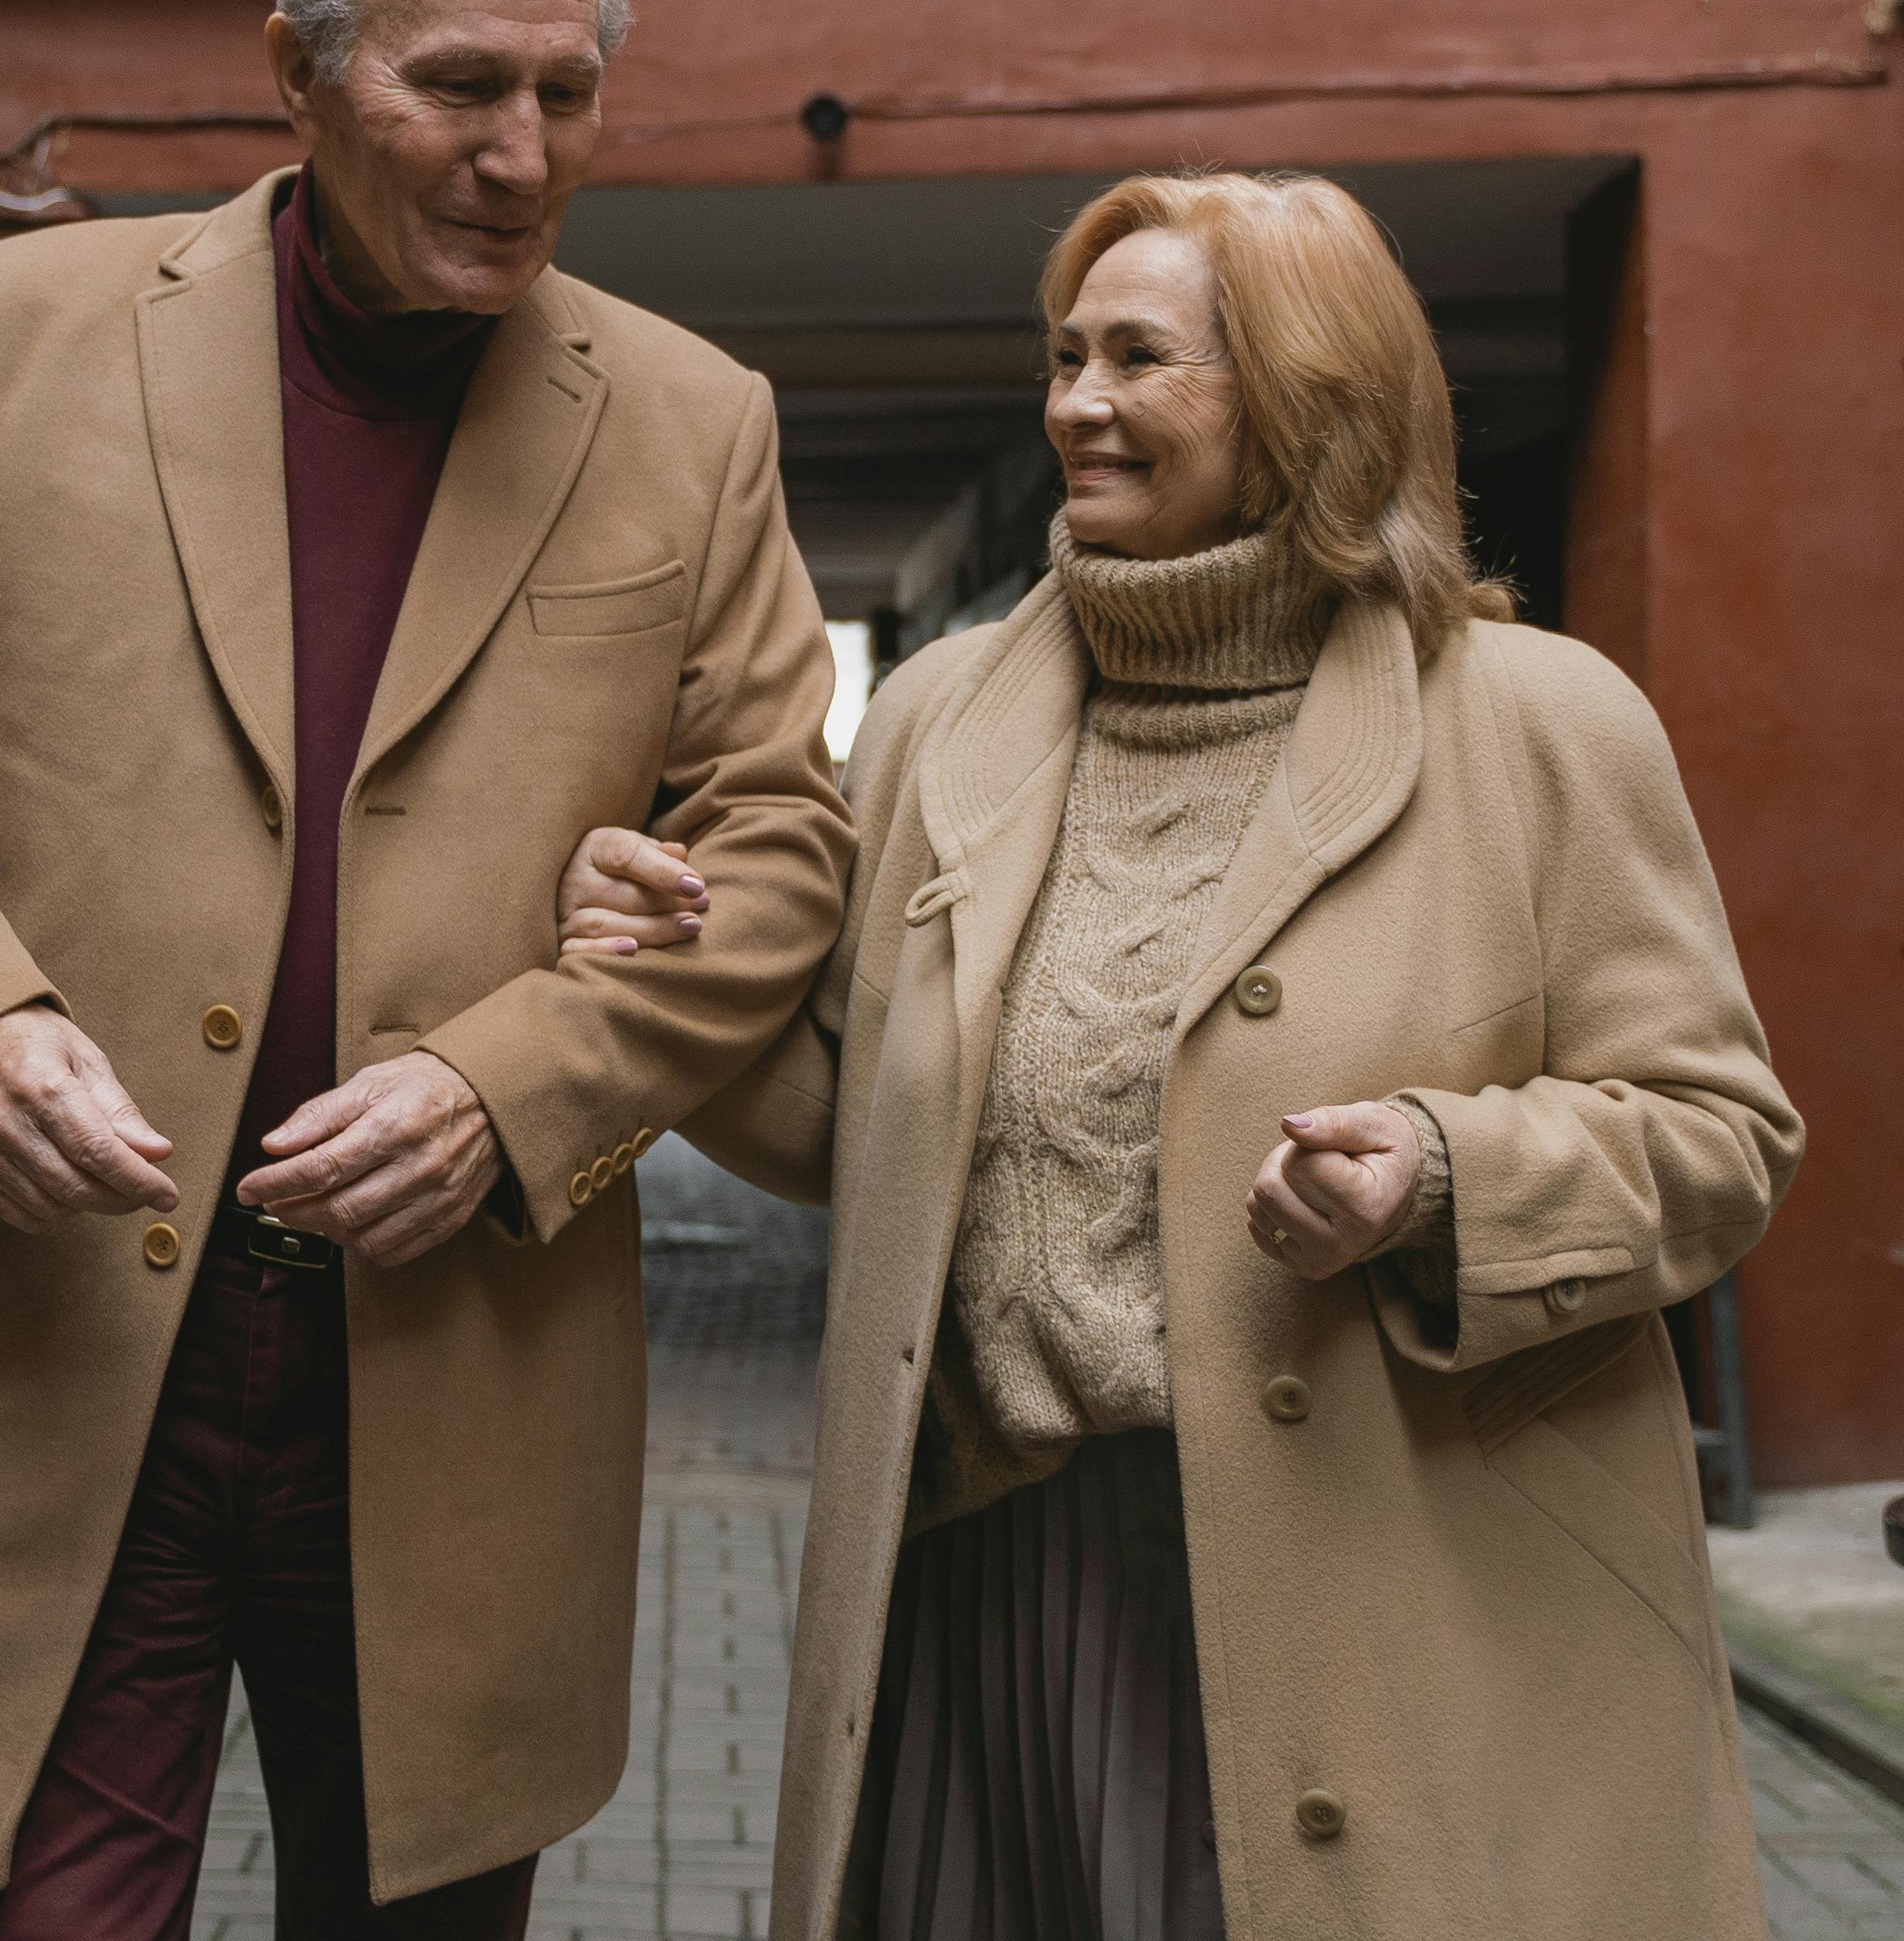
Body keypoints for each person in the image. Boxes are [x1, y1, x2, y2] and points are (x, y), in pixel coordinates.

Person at [0, 0, 853, 1941]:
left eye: (564, 93)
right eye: (458, 84)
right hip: (54, 1338)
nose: (518, 151)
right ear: (298, 71)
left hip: (453, 1381)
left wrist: (511, 1084)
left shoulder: (693, 420)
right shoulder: (12, 329)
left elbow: (780, 833)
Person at [562, 169, 1804, 1941]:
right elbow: (866, 1121)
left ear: (1304, 398)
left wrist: (1440, 1177)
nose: (1077, 403)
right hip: (987, 1568)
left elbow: (1717, 1134)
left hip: (1367, 1584)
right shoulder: (933, 719)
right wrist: (678, 989)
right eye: (1065, 357)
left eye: (1140, 359)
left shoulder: (1541, 722)